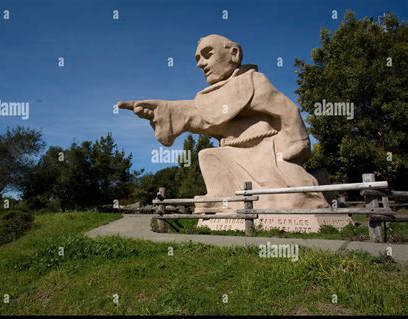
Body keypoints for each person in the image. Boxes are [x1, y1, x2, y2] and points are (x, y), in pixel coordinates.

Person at [119, 34, 328, 209]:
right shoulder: (214, 95)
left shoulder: (254, 81)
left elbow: (289, 111)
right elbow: (200, 116)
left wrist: (295, 146)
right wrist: (161, 110)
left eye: (207, 55)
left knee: (292, 193)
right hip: (232, 153)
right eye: (198, 59)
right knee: (207, 154)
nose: (201, 64)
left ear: (234, 54)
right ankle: (220, 199)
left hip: (266, 151)